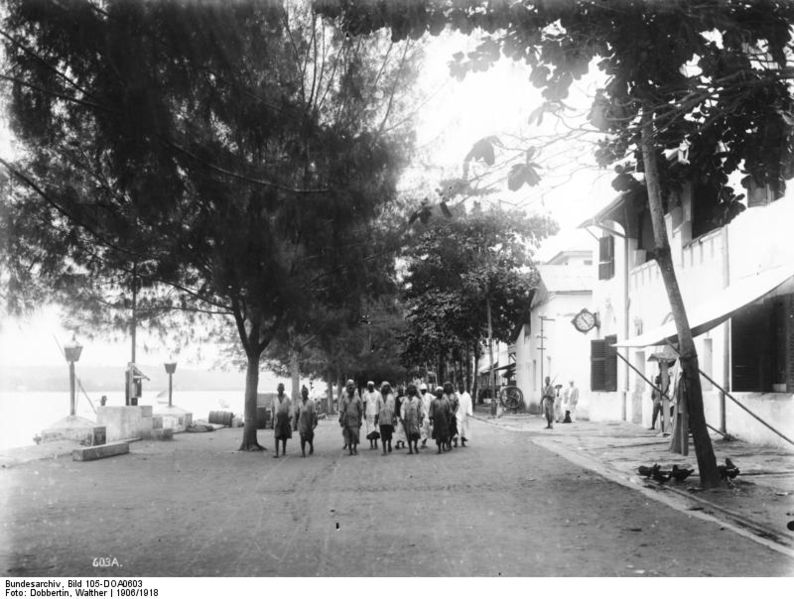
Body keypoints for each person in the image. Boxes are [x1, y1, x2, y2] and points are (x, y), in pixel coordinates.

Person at [339, 379, 363, 455]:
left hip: (355, 419)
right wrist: (341, 418)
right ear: (347, 389)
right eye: (349, 387)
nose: (350, 389)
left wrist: (360, 420)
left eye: (352, 387)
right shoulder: (344, 399)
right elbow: (342, 410)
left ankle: (355, 448)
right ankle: (350, 449)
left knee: (355, 434)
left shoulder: (358, 399)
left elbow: (360, 410)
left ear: (354, 388)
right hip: (347, 420)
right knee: (348, 434)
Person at [295, 385, 318, 457]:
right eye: (303, 393)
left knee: (309, 437)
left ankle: (311, 446)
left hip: (309, 422)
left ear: (307, 393)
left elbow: (314, 413)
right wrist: (296, 422)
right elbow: (297, 413)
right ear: (301, 394)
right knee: (302, 437)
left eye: (305, 392)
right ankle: (303, 452)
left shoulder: (311, 403)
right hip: (301, 423)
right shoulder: (299, 403)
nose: (304, 394)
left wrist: (315, 421)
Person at [402, 384, 423, 454]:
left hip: (415, 419)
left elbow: (420, 410)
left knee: (416, 434)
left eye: (413, 389)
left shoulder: (417, 400)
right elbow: (402, 409)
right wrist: (402, 418)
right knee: (409, 435)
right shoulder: (404, 400)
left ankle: (415, 446)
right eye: (410, 389)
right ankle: (410, 449)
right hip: (407, 420)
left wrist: (421, 418)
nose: (411, 390)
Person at [376, 382, 396, 455]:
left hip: (389, 417)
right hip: (382, 418)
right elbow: (377, 407)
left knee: (389, 433)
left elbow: (393, 407)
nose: (386, 388)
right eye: (384, 387)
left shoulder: (391, 396)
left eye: (387, 387)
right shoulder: (379, 396)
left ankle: (389, 444)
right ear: (382, 387)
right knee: (383, 434)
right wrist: (376, 418)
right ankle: (384, 450)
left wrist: (394, 417)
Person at [272, 383, 292, 457]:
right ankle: (276, 453)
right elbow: (273, 409)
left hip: (285, 417)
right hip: (277, 418)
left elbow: (290, 408)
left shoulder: (287, 398)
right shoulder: (275, 398)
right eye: (279, 388)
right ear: (277, 389)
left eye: (281, 388)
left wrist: (290, 416)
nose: (280, 389)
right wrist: (272, 418)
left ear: (283, 389)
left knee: (284, 435)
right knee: (277, 435)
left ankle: (284, 450)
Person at [429, 386, 450, 453]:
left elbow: (449, 411)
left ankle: (444, 445)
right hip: (437, 422)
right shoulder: (433, 401)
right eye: (438, 392)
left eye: (441, 391)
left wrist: (449, 419)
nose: (439, 393)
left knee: (444, 435)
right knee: (438, 435)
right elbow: (431, 411)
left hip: (444, 421)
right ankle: (439, 448)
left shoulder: (446, 401)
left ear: (442, 392)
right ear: (436, 393)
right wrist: (431, 419)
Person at [362, 380, 382, 450]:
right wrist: (363, 413)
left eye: (371, 386)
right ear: (367, 387)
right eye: (368, 386)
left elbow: (380, 404)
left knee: (376, 428)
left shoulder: (378, 394)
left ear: (373, 386)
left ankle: (376, 443)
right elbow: (364, 404)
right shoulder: (365, 394)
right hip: (368, 414)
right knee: (370, 429)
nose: (370, 387)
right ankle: (371, 444)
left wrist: (380, 413)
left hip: (376, 413)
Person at [456, 382, 473, 446]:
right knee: (457, 428)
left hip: (465, 414)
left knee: (464, 429)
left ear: (464, 388)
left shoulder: (467, 395)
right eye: (459, 387)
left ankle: (463, 442)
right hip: (457, 414)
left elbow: (469, 404)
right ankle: (455, 442)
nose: (461, 388)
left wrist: (469, 412)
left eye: (462, 387)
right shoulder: (456, 395)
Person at [444, 382, 459, 449]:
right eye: (446, 386)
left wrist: (454, 412)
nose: (448, 388)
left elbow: (457, 404)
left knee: (452, 430)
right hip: (444, 416)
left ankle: (450, 442)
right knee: (445, 430)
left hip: (452, 416)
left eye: (449, 386)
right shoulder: (443, 395)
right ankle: (446, 442)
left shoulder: (454, 395)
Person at [420, 383, 433, 448]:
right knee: (422, 429)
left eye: (424, 390)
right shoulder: (419, 396)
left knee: (427, 429)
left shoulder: (429, 395)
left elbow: (435, 399)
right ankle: (423, 443)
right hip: (422, 416)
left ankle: (424, 443)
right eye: (422, 390)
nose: (423, 391)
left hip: (428, 415)